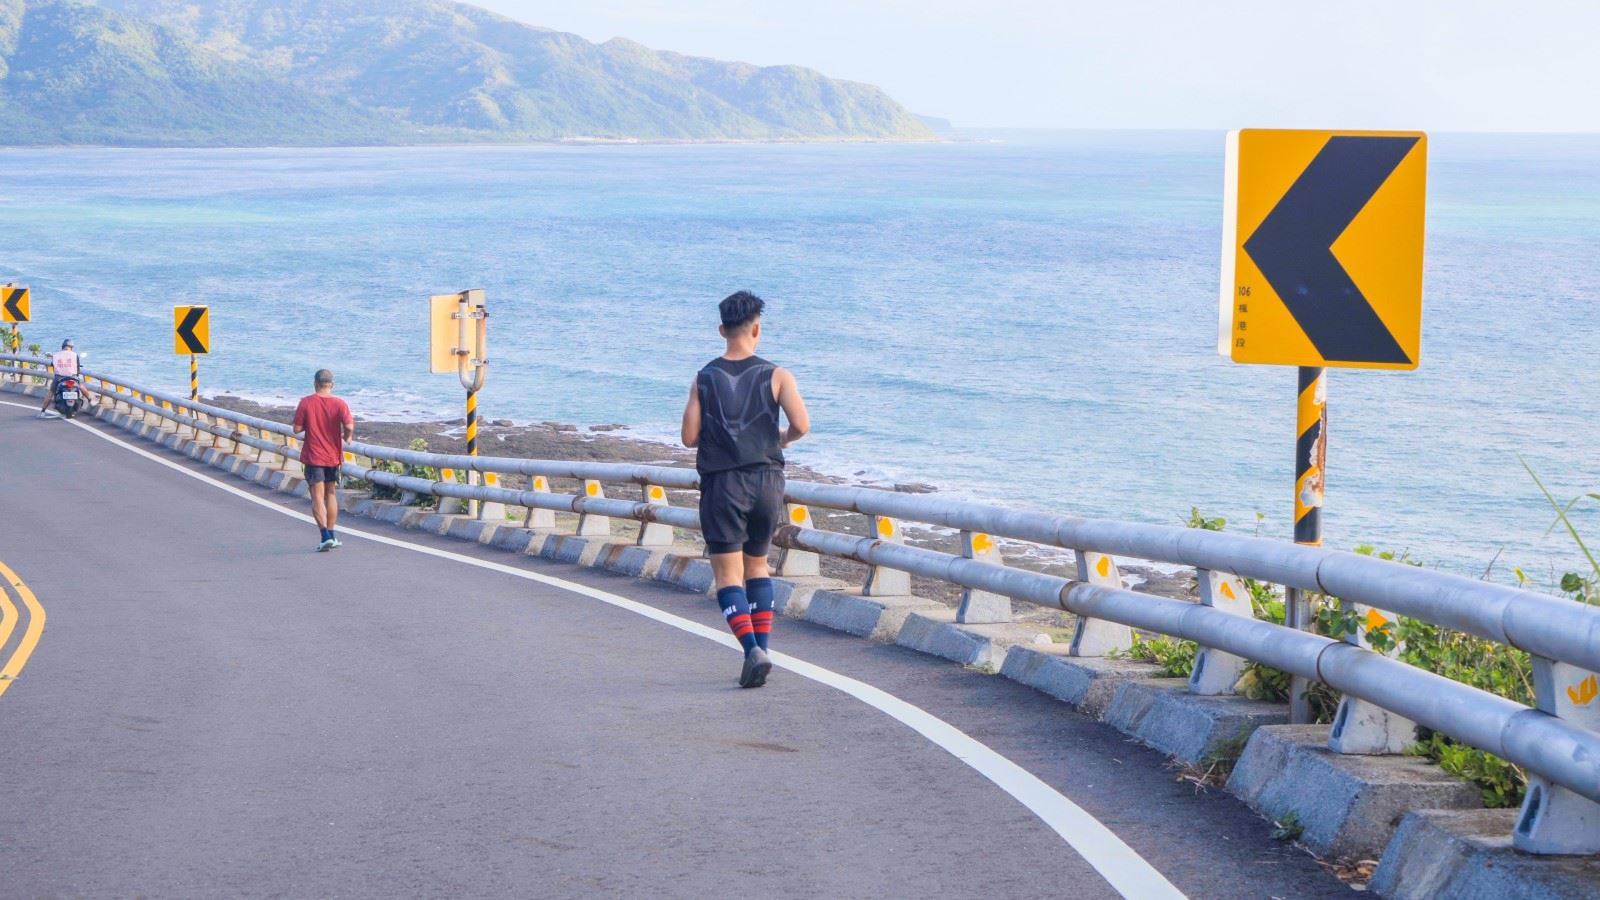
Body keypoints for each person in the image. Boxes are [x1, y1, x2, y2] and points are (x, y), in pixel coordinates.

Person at [681, 291, 810, 688]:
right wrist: (782, 438)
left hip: (723, 484)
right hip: (767, 482)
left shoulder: (705, 377)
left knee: (727, 575)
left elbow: (689, 438)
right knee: (758, 565)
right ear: (757, 329)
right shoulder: (778, 375)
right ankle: (762, 652)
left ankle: (751, 648)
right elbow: (802, 425)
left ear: (722, 330)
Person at [292, 369, 354, 552]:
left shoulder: (306, 402)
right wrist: (347, 437)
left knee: (317, 496)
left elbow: (296, 428)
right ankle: (333, 534)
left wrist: (309, 423)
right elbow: (349, 425)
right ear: (332, 385)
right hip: (333, 456)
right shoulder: (340, 403)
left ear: (315, 383)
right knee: (331, 494)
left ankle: (325, 535)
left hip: (314, 455)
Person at [37, 339, 82, 418]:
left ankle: (43, 411)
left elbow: (53, 365)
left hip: (59, 378)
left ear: (62, 346)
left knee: (51, 392)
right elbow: (78, 368)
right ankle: (90, 400)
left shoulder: (56, 355)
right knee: (81, 387)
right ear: (71, 347)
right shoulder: (75, 355)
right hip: (72, 377)